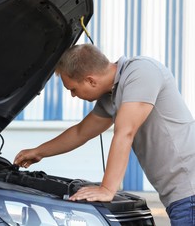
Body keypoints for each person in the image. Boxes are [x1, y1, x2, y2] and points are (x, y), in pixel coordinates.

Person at [13, 44, 195, 225]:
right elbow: (80, 132)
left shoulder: (142, 72)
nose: (72, 96)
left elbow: (125, 132)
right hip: (179, 195)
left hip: (190, 192)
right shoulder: (112, 94)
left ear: (91, 80)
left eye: (73, 89)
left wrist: (107, 189)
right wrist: (38, 152)